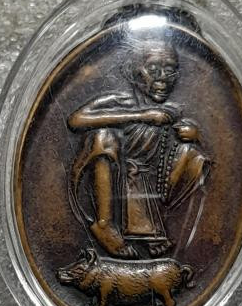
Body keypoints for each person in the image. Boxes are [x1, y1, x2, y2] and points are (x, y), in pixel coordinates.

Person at [67, 41, 210, 258]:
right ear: (133, 71)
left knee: (192, 153)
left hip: (152, 182)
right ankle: (104, 223)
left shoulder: (172, 112)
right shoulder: (119, 100)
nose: (162, 77)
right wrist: (141, 116)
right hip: (115, 175)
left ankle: (150, 228)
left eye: (170, 70)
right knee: (103, 137)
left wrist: (194, 137)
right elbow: (75, 120)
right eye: (153, 69)